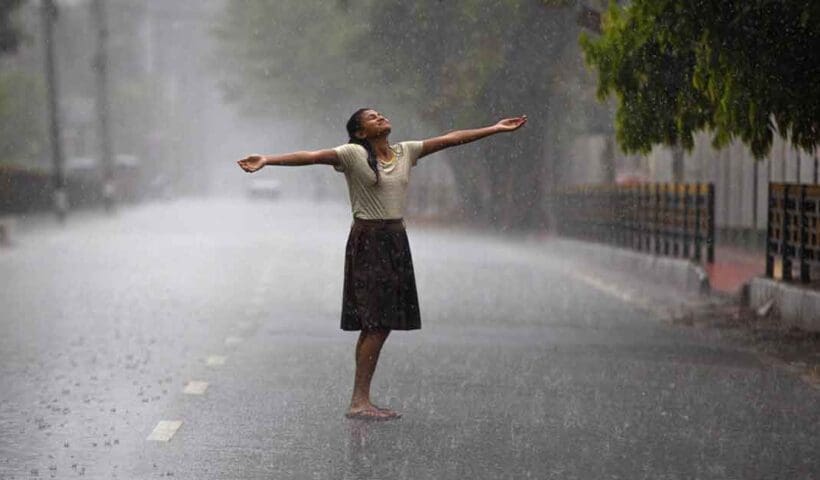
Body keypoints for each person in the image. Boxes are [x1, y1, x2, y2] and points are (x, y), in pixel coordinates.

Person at [237, 108, 527, 420]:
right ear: (361, 133)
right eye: (371, 117)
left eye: (380, 114)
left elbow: (450, 140)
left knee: (381, 323)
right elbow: (310, 155)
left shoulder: (406, 151)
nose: (380, 117)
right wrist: (268, 159)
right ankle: (359, 400)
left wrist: (494, 128)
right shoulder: (351, 153)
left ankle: (361, 399)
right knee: (374, 323)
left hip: (396, 240)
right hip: (368, 240)